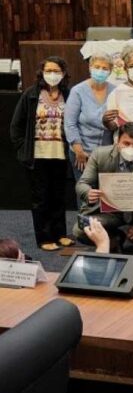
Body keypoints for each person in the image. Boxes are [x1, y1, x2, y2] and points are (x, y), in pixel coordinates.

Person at [74, 123, 133, 255]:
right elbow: (82, 183)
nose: (131, 148)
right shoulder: (100, 154)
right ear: (117, 142)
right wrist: (88, 192)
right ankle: (114, 239)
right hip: (110, 212)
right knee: (80, 229)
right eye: (126, 143)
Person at [10, 56, 73, 251]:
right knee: (41, 198)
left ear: (63, 74)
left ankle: (60, 234)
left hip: (60, 155)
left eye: (56, 71)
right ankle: (44, 238)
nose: (52, 75)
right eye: (49, 71)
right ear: (42, 73)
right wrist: (23, 148)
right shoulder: (30, 94)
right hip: (37, 156)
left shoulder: (68, 95)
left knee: (58, 195)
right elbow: (16, 125)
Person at [64, 53, 117, 180]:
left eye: (105, 68)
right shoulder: (78, 91)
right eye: (97, 67)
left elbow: (119, 122)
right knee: (86, 194)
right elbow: (70, 124)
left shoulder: (116, 91)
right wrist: (78, 150)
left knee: (105, 194)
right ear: (90, 67)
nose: (100, 71)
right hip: (82, 152)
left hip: (107, 154)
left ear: (110, 71)